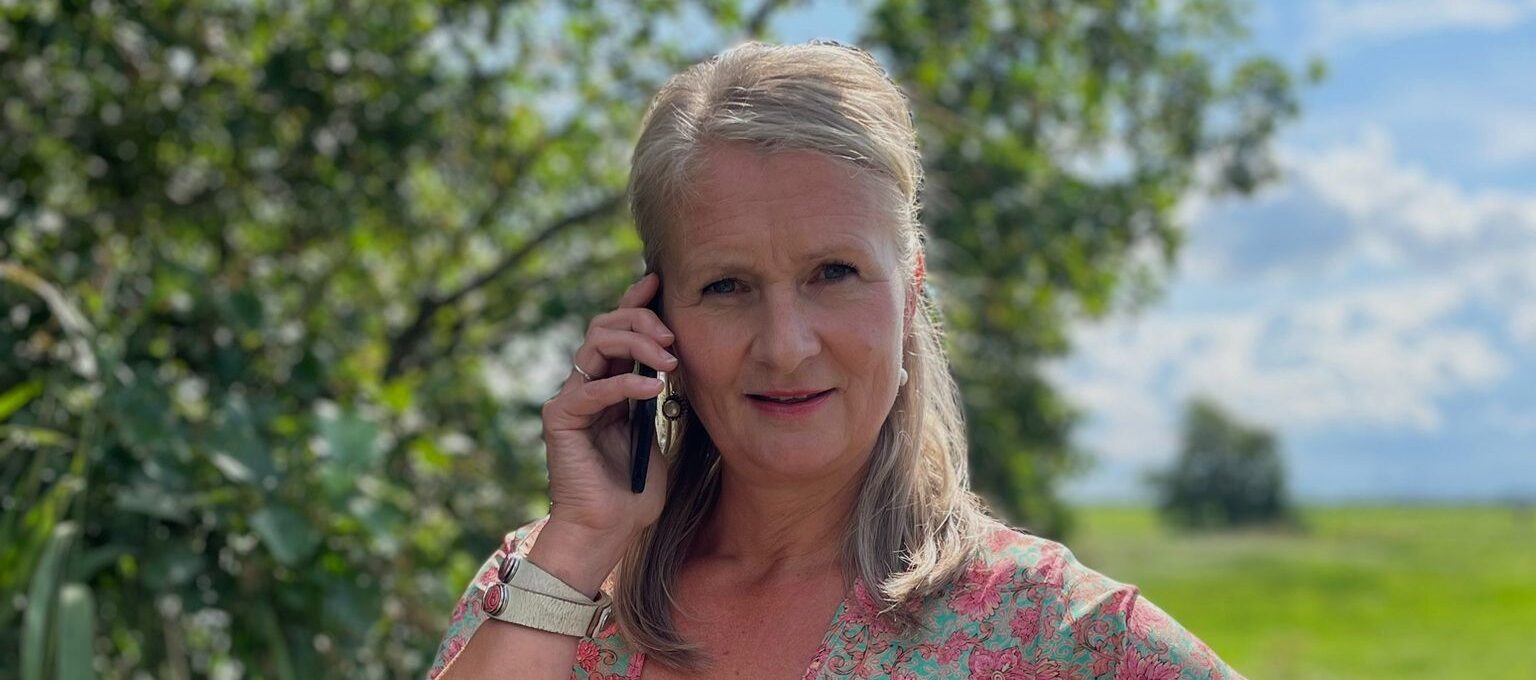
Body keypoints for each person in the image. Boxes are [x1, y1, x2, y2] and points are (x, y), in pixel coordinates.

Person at [428, 40, 1242, 680]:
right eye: (726, 285)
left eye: (834, 274)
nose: (786, 346)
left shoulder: (1060, 635)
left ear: (911, 284)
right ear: (654, 314)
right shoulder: (549, 587)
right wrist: (580, 545)